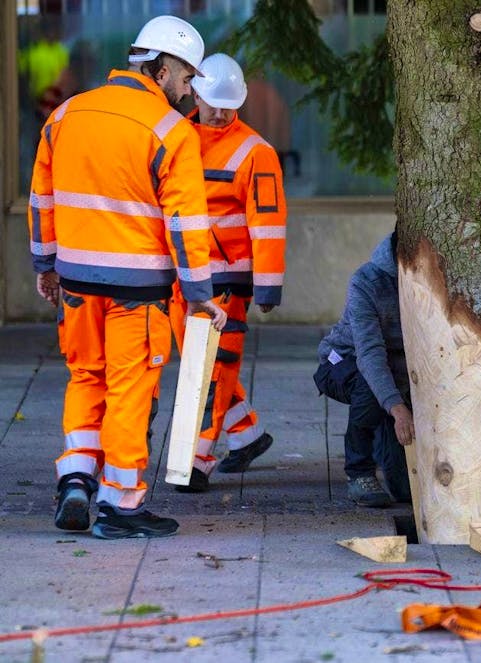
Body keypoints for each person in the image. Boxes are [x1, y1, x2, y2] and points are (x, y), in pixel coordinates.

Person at [29, 15, 226, 540]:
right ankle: (121, 505)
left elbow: (41, 199)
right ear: (162, 70)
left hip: (74, 281)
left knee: (85, 377)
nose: (189, 93)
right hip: (136, 291)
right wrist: (201, 296)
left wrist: (45, 266)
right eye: (186, 81)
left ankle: (75, 477)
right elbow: (186, 223)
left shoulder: (67, 113)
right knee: (130, 391)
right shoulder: (171, 131)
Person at [168, 53, 287, 492]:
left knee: (211, 371)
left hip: (228, 280)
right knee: (201, 366)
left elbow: (268, 224)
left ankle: (194, 460)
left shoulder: (256, 152)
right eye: (211, 100)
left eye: (228, 103)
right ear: (194, 92)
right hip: (184, 276)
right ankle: (248, 434)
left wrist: (268, 284)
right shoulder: (177, 137)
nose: (219, 111)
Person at [313, 233, 413, 508]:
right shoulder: (366, 282)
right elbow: (369, 354)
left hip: (398, 372)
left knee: (405, 491)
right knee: (370, 386)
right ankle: (359, 472)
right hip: (343, 359)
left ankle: (384, 429)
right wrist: (397, 407)